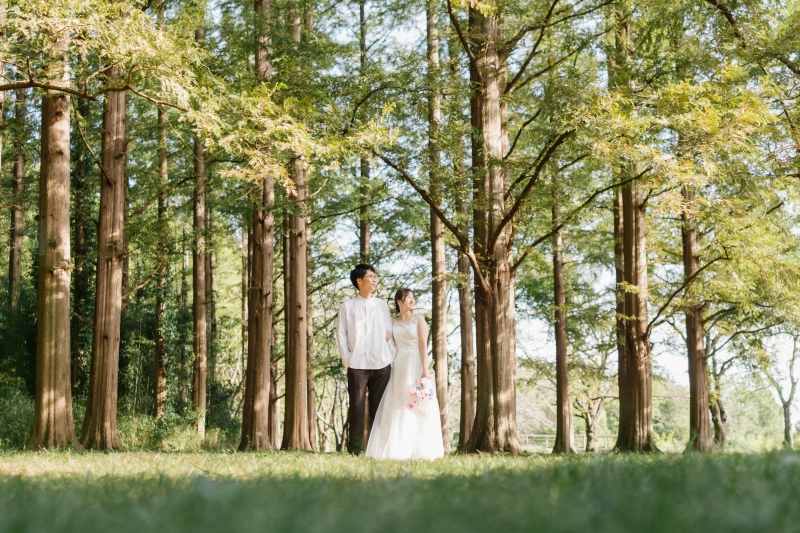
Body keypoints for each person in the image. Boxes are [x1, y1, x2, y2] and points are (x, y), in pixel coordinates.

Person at [365, 288, 444, 460]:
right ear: (399, 301)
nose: (412, 300)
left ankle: (418, 448)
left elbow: (423, 345)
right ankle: (395, 446)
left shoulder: (419, 320)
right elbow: (390, 346)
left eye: (413, 297)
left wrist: (424, 369)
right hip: (399, 365)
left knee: (415, 402)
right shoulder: (392, 323)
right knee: (397, 401)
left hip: (415, 363)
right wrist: (386, 338)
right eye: (408, 297)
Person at [336, 264, 394, 455]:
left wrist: (389, 354)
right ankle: (354, 451)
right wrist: (348, 360)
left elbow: (389, 332)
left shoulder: (382, 305)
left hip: (381, 363)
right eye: (371, 276)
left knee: (379, 411)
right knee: (357, 409)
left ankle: (377, 451)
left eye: (375, 276)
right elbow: (341, 336)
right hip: (357, 364)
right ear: (359, 281)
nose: (374, 279)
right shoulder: (347, 307)